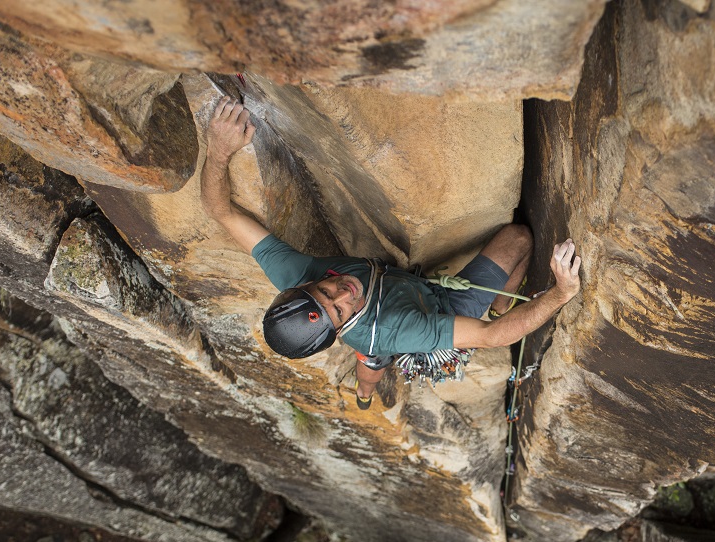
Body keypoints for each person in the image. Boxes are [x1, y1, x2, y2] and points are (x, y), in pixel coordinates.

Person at [199, 96, 582, 408]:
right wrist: (561, 293)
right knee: (519, 240)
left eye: (324, 291)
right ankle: (370, 390)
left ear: (303, 287)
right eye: (338, 310)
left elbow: (222, 212)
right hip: (438, 308)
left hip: (398, 300)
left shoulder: (296, 275)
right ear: (337, 328)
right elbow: (494, 338)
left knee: (370, 359)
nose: (343, 292)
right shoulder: (398, 328)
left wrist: (219, 152)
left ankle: (365, 394)